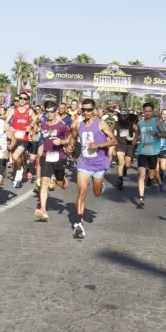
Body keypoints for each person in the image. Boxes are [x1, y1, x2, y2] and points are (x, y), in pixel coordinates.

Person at [67, 98, 116, 238]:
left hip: (99, 163)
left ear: (94, 111)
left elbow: (114, 140)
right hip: (83, 162)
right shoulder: (77, 124)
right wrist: (70, 146)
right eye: (83, 109)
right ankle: (78, 223)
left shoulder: (101, 123)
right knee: (82, 192)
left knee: (96, 193)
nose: (86, 112)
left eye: (89, 110)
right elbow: (72, 137)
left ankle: (100, 186)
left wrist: (99, 146)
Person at [36, 101, 71, 221]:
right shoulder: (44, 124)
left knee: (59, 183)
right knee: (44, 182)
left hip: (59, 157)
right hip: (46, 156)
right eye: (47, 112)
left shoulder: (61, 126)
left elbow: (69, 139)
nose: (49, 114)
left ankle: (61, 180)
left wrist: (61, 142)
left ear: (56, 111)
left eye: (52, 112)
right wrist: (41, 145)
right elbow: (42, 135)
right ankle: (43, 209)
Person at [135, 103, 166, 206]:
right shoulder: (140, 123)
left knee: (151, 175)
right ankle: (141, 197)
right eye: (146, 111)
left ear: (152, 112)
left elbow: (165, 134)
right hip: (142, 152)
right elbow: (137, 134)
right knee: (141, 175)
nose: (147, 113)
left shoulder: (156, 122)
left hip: (153, 153)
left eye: (149, 111)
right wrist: (134, 140)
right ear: (143, 111)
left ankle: (151, 178)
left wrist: (156, 134)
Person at [6, 92, 36, 188]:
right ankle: (20, 170)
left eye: (24, 99)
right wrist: (10, 127)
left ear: (27, 101)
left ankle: (19, 172)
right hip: (14, 138)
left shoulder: (29, 111)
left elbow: (36, 119)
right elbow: (5, 123)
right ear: (18, 99)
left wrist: (30, 126)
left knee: (15, 156)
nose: (22, 100)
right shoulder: (13, 111)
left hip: (24, 138)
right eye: (21, 98)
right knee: (17, 159)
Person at [115, 109, 137, 190]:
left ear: (127, 116)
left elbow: (140, 133)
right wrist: (113, 140)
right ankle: (120, 180)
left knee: (127, 164)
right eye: (121, 115)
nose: (122, 117)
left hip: (129, 146)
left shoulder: (132, 124)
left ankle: (125, 169)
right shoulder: (116, 124)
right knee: (120, 163)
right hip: (120, 145)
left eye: (124, 115)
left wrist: (132, 138)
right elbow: (109, 132)